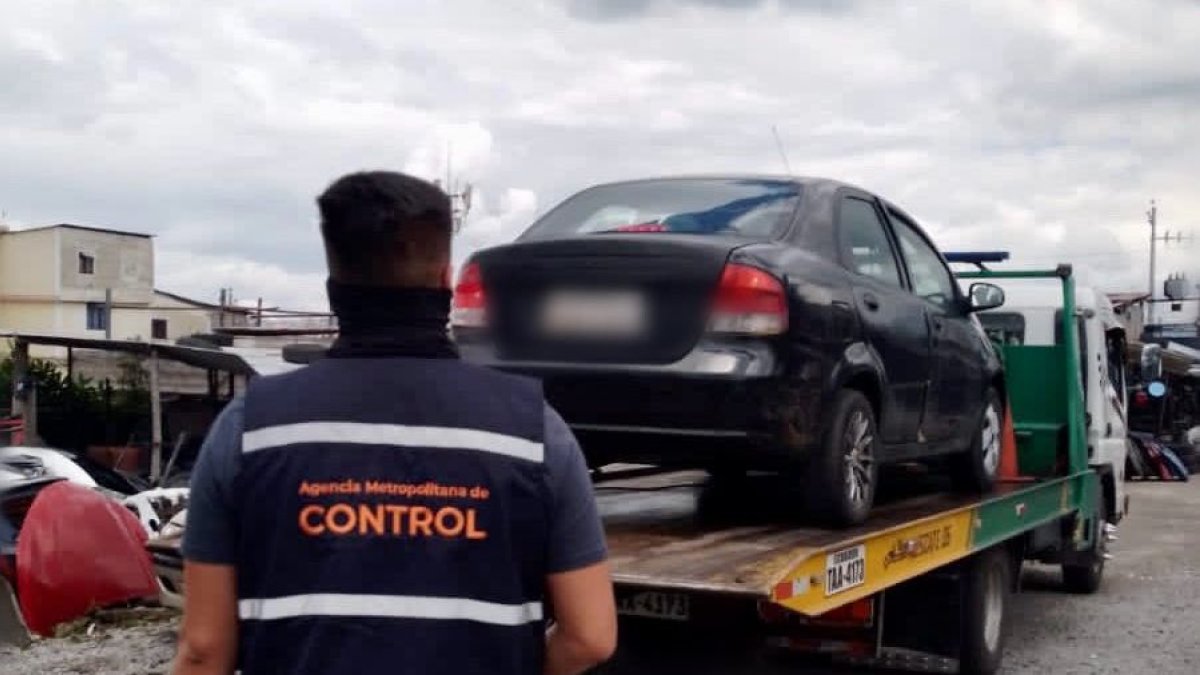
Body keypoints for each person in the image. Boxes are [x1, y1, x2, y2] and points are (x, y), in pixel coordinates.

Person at [173, 171, 616, 675]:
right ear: (446, 278)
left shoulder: (249, 427)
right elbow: (590, 637)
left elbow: (204, 650)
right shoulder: (533, 431)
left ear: (334, 286)